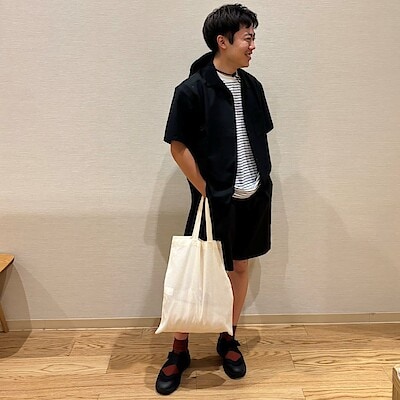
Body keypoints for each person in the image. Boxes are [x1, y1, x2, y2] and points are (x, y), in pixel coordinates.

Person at [155, 4, 274, 396]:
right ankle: (179, 349)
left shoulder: (252, 86)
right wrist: (208, 190)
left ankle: (228, 338)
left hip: (253, 194)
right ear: (223, 41)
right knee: (198, 270)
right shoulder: (192, 89)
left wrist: (258, 180)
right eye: (247, 37)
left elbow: (257, 138)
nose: (253, 45)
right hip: (214, 200)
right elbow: (178, 147)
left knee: (240, 267)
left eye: (253, 36)